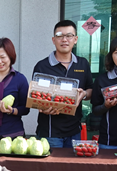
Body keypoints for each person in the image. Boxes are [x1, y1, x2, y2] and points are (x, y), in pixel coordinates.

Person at [33, 20, 92, 148]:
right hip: (50, 133)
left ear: (75, 39)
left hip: (74, 131)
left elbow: (90, 89)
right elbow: (36, 96)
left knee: (72, 168)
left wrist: (84, 94)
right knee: (51, 168)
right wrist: (42, 107)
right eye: (60, 36)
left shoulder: (83, 64)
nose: (64, 39)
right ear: (54, 40)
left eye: (69, 36)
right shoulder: (42, 66)